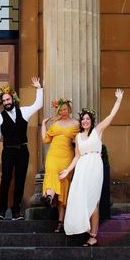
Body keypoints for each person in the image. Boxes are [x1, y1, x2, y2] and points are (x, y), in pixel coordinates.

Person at [60, 88, 125, 246]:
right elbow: (77, 156)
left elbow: (111, 116)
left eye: (88, 119)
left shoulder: (98, 131)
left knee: (93, 200)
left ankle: (93, 235)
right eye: (83, 119)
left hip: (95, 166)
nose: (85, 121)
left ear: (92, 120)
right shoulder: (78, 137)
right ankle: (84, 229)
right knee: (80, 199)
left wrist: (118, 99)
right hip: (82, 168)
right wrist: (67, 170)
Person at [0, 76, 43, 220]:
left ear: (13, 99)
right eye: (3, 101)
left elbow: (38, 105)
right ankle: (1, 210)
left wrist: (39, 88)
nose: (6, 103)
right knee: (5, 179)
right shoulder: (0, 117)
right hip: (8, 150)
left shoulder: (24, 111)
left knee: (20, 180)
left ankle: (16, 211)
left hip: (22, 150)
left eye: (8, 100)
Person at [40, 98, 80, 232]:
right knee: (51, 174)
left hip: (66, 156)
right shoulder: (55, 123)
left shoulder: (76, 123)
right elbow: (46, 139)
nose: (63, 112)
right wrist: (43, 124)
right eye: (60, 110)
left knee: (63, 184)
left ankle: (60, 222)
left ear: (69, 109)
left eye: (65, 109)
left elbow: (80, 139)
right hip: (53, 155)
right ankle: (49, 199)